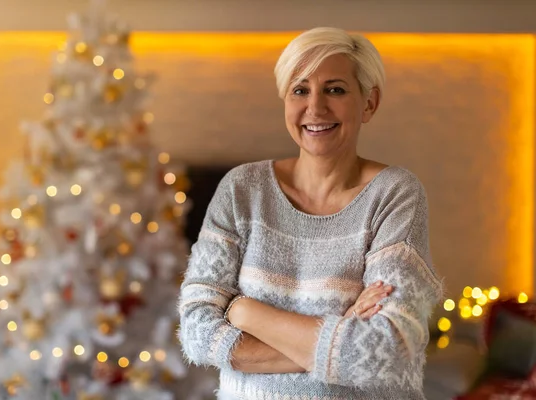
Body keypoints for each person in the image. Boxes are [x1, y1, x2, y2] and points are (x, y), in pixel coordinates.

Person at [178, 27, 442, 400]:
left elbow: (384, 351)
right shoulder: (241, 189)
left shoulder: (395, 194)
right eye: (300, 90)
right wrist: (343, 330)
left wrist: (245, 312)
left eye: (335, 89)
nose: (315, 108)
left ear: (369, 103)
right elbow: (197, 332)